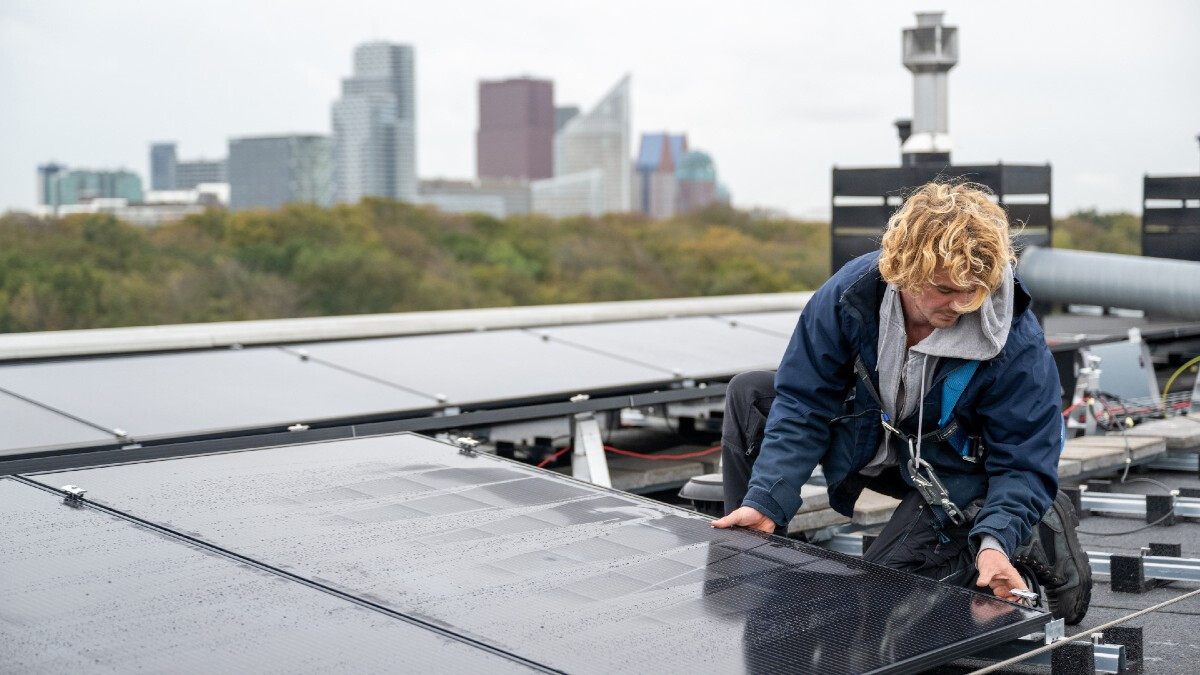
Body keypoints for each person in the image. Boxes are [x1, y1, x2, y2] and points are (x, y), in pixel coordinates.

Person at [712, 181, 1091, 624]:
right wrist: (767, 500)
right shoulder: (850, 296)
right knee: (751, 393)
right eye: (946, 289)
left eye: (975, 289)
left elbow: (1024, 461)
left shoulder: (1014, 342)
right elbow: (802, 404)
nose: (963, 303)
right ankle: (756, 549)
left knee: (884, 597)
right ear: (904, 271)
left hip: (957, 471)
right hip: (880, 438)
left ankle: (1023, 530)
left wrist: (994, 544)